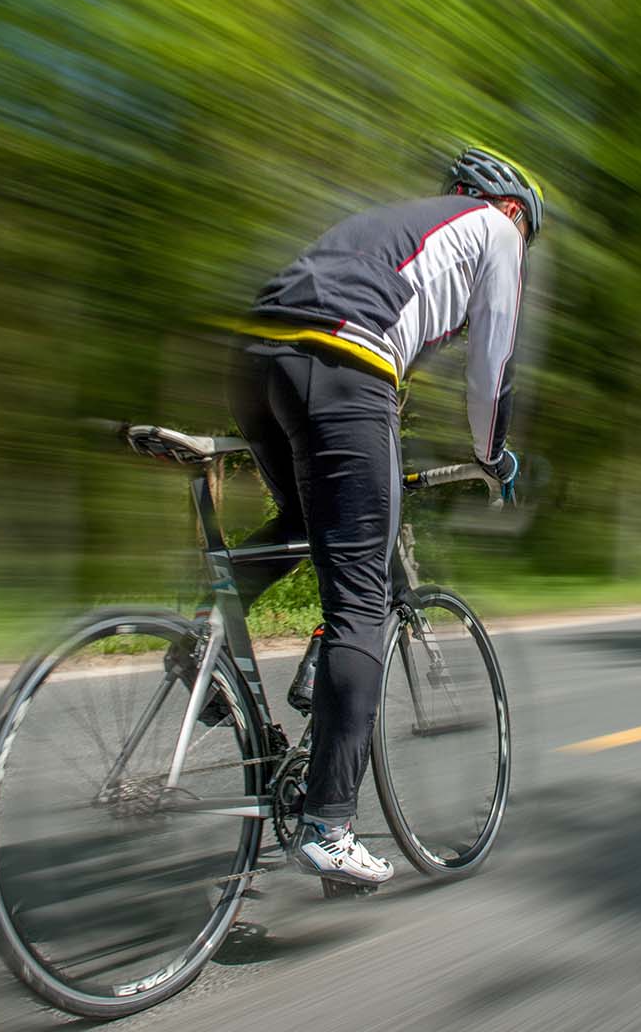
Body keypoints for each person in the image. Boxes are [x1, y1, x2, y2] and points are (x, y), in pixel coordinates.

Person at [224, 146, 543, 886]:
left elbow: (387, 345)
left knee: (306, 522)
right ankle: (329, 823)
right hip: (341, 366)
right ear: (514, 211)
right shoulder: (496, 233)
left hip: (254, 355)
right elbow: (491, 371)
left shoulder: (395, 230)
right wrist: (493, 456)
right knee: (362, 602)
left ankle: (199, 642)